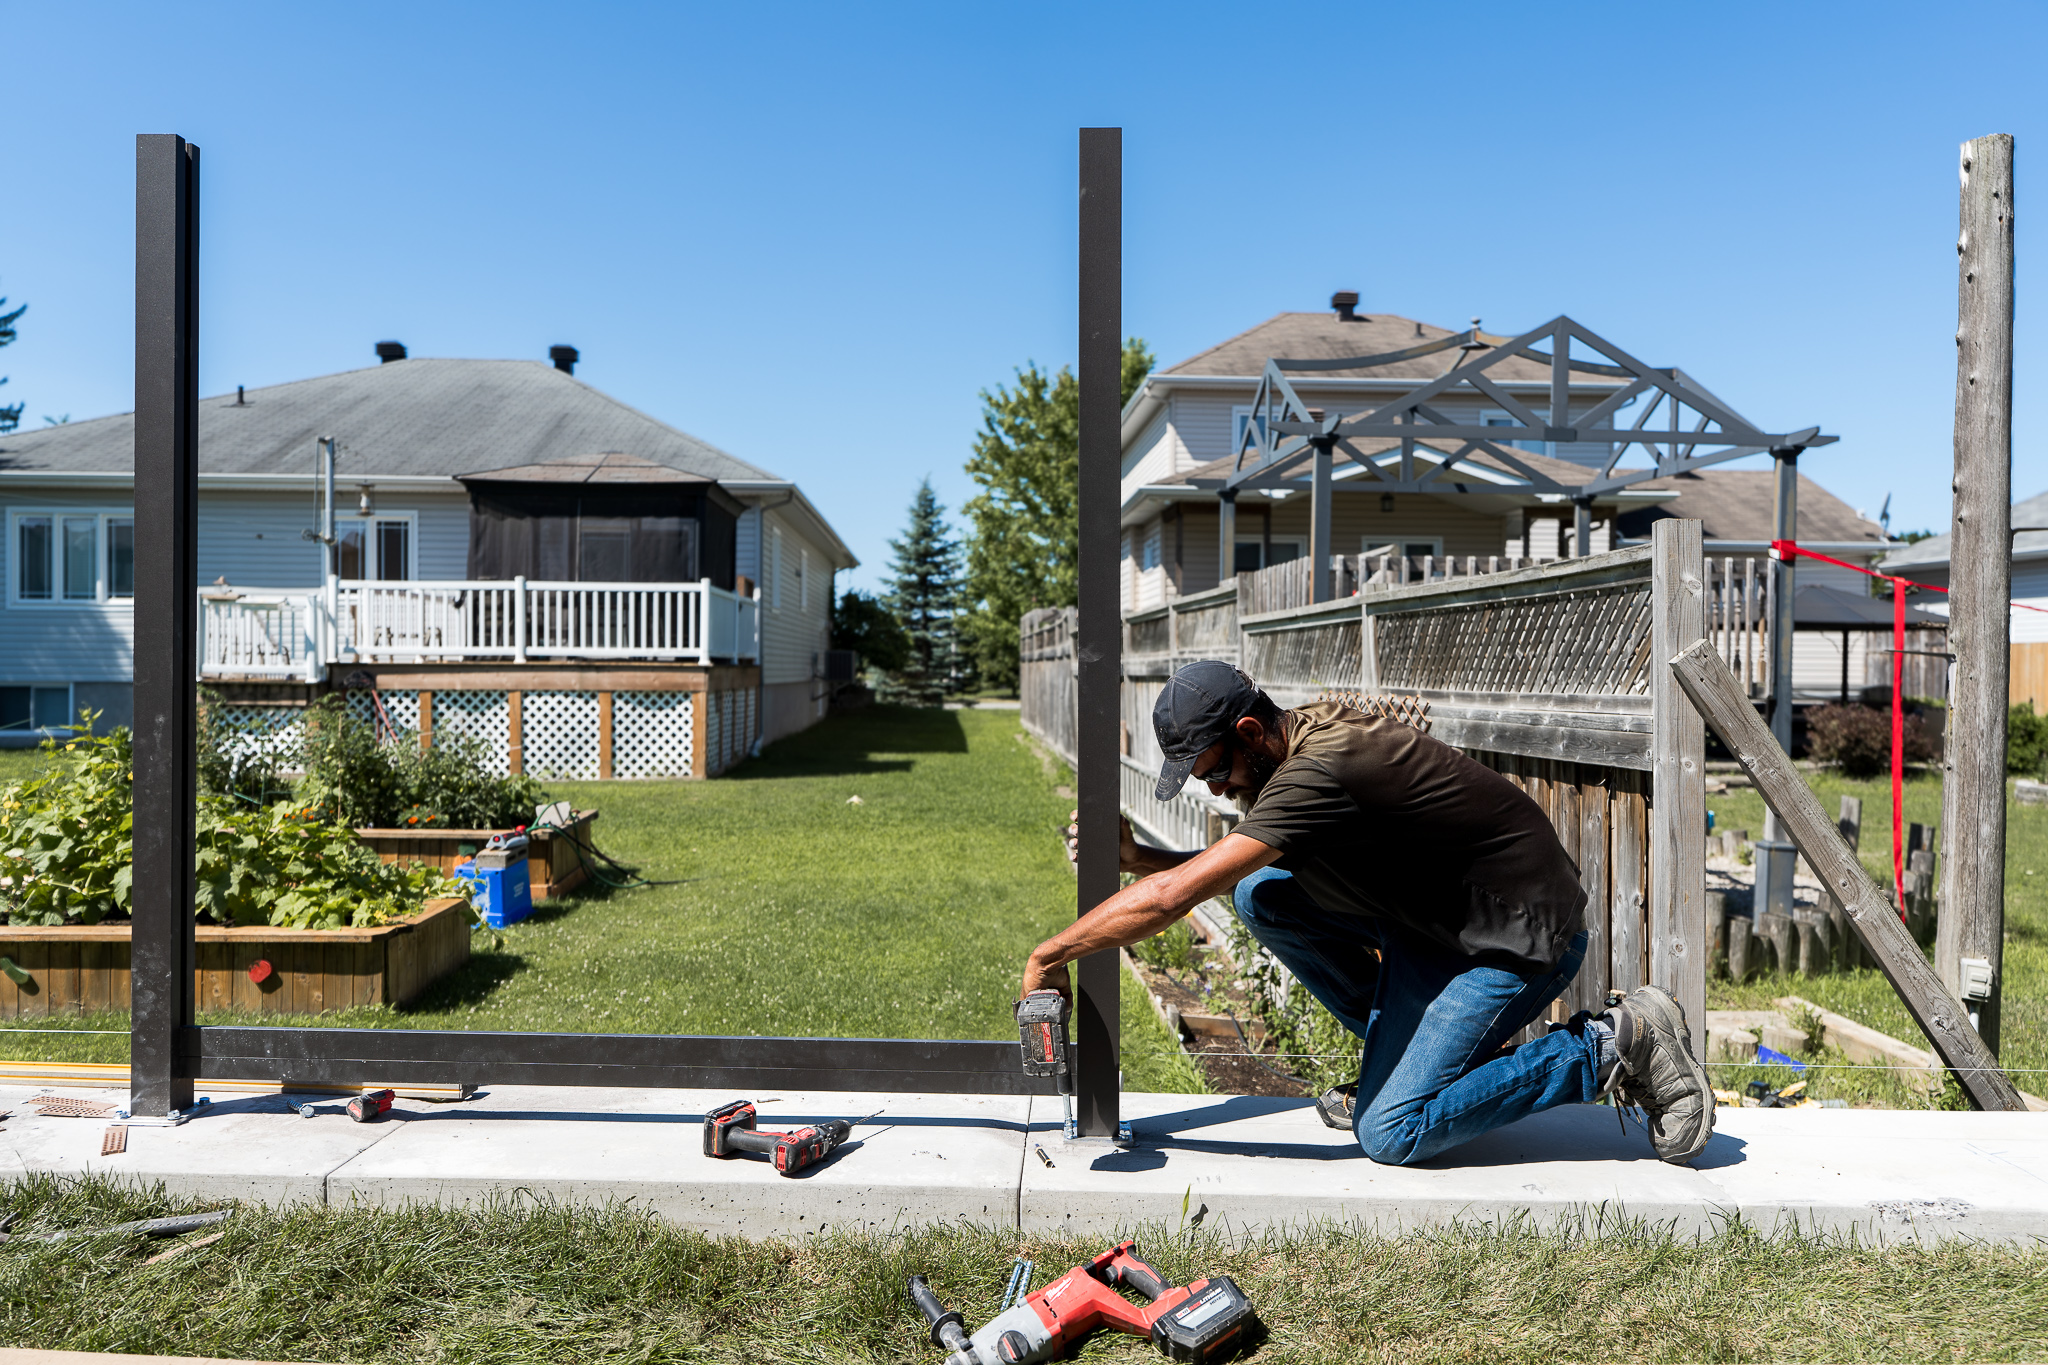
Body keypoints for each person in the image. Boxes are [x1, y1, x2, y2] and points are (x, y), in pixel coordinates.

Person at [1023, 659, 1713, 1166]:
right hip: (1432, 925)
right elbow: (1219, 873)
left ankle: (1616, 1042)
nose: (1213, 785)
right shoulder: (1299, 739)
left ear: (1250, 731)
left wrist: (1049, 957)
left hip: (1515, 937)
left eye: (1213, 770)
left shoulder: (1316, 772)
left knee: (1392, 1131)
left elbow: (1176, 899)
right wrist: (1140, 856)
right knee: (1260, 895)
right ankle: (1437, 1064)